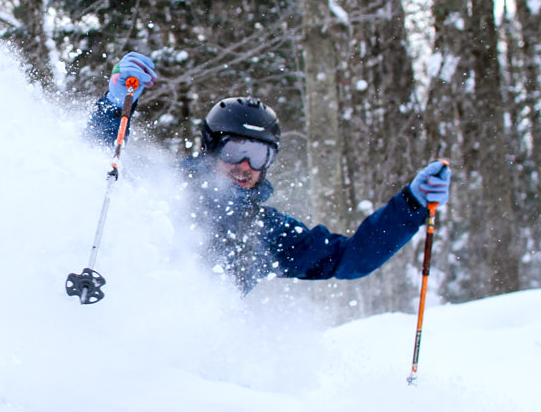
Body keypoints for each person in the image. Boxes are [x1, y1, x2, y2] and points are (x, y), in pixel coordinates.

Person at [86, 52, 452, 293]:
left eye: (259, 155)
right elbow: (96, 173)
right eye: (236, 151)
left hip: (195, 359)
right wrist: (116, 104)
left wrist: (410, 207)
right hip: (120, 330)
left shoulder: (265, 228)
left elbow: (349, 259)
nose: (246, 167)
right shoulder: (165, 193)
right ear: (211, 149)